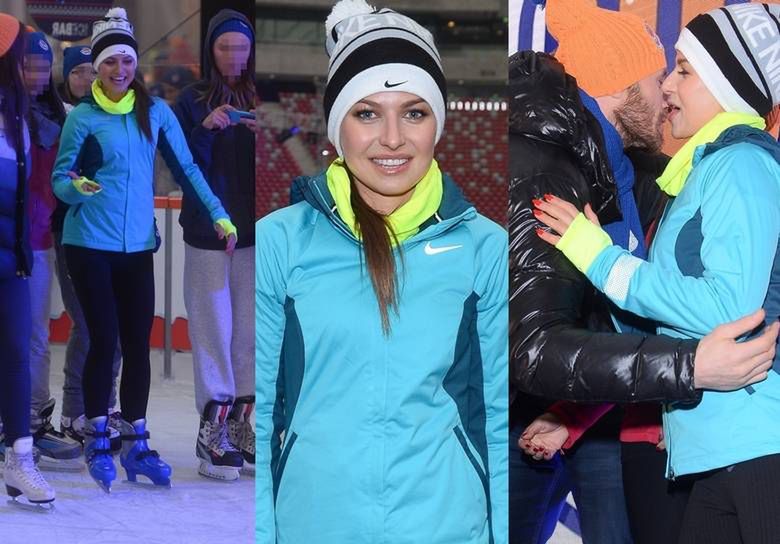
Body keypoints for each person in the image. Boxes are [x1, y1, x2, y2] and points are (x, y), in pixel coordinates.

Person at [509, 1, 779, 542]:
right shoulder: (694, 171)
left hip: (752, 438)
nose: (669, 89)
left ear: (722, 86)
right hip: (714, 444)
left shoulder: (740, 163)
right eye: (666, 73)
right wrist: (574, 412)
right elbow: (643, 325)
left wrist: (600, 256)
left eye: (682, 71)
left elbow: (729, 309)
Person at [256, 1, 507, 542]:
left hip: (446, 525)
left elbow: (497, 418)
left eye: (414, 112)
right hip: (313, 524)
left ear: (437, 123)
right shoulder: (281, 239)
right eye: (366, 113)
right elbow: (261, 419)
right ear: (336, 126)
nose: (392, 138)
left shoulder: (484, 246)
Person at [51, 7, 236, 492]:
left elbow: (189, 168)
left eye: (127, 62)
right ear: (98, 65)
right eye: (111, 62)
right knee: (104, 340)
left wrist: (219, 214)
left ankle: (135, 439)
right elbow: (60, 180)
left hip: (137, 247)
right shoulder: (84, 119)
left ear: (136, 65)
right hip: (88, 243)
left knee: (137, 347)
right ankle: (96, 433)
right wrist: (78, 188)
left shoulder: (155, 112)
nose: (120, 71)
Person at [173, 8, 256, 481]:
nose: (234, 56)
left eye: (241, 48)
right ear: (211, 50)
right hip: (208, 233)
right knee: (212, 331)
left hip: (252, 233)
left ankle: (242, 427)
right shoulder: (190, 100)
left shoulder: (259, 98)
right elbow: (183, 165)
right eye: (225, 47)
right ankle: (212, 432)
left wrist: (266, 135)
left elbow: (294, 157)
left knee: (247, 333)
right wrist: (205, 130)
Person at [55, 44, 124, 451]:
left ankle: (105, 404)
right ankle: (74, 409)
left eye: (89, 70)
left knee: (109, 329)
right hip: (72, 234)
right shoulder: (63, 118)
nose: (84, 78)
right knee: (90, 325)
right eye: (77, 71)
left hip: (112, 236)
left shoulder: (111, 117)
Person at [0, 12, 55, 506]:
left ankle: (20, 458)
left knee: (17, 354)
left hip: (12, 261)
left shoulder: (18, 115)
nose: (29, 69)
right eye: (23, 59)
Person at [22, 30, 83, 471]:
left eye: (45, 68)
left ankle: (33, 419)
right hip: (10, 238)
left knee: (37, 337)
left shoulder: (59, 116)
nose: (38, 76)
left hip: (39, 242)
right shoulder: (7, 113)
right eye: (30, 67)